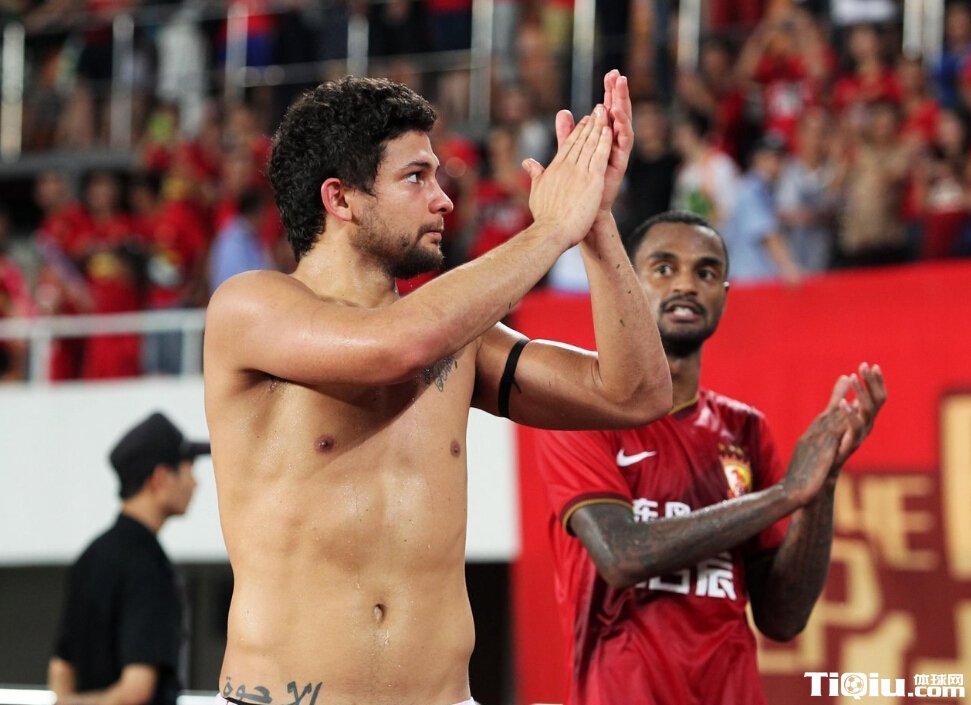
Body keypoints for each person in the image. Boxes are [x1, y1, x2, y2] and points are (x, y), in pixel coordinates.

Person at [203, 72, 672, 705]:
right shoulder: (249, 307)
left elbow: (636, 395)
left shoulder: (460, 337)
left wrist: (594, 224)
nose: (445, 200)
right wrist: (549, 230)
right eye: (416, 177)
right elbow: (396, 348)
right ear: (340, 199)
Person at [536, 210, 887, 705]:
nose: (686, 284)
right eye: (663, 268)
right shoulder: (580, 413)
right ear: (625, 283)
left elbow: (782, 619)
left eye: (705, 272)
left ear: (724, 293)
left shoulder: (745, 429)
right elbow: (621, 555)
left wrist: (820, 487)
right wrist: (785, 494)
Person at [49, 412, 210, 705]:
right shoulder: (149, 566)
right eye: (188, 470)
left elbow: (61, 668)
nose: (195, 483)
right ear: (161, 478)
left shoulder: (90, 556)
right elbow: (136, 691)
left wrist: (68, 703)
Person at [723, 133, 803, 285]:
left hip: (755, 279)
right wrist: (789, 267)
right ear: (757, 160)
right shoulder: (752, 189)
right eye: (772, 158)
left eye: (780, 158)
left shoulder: (766, 190)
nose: (778, 165)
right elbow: (767, 234)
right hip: (749, 280)